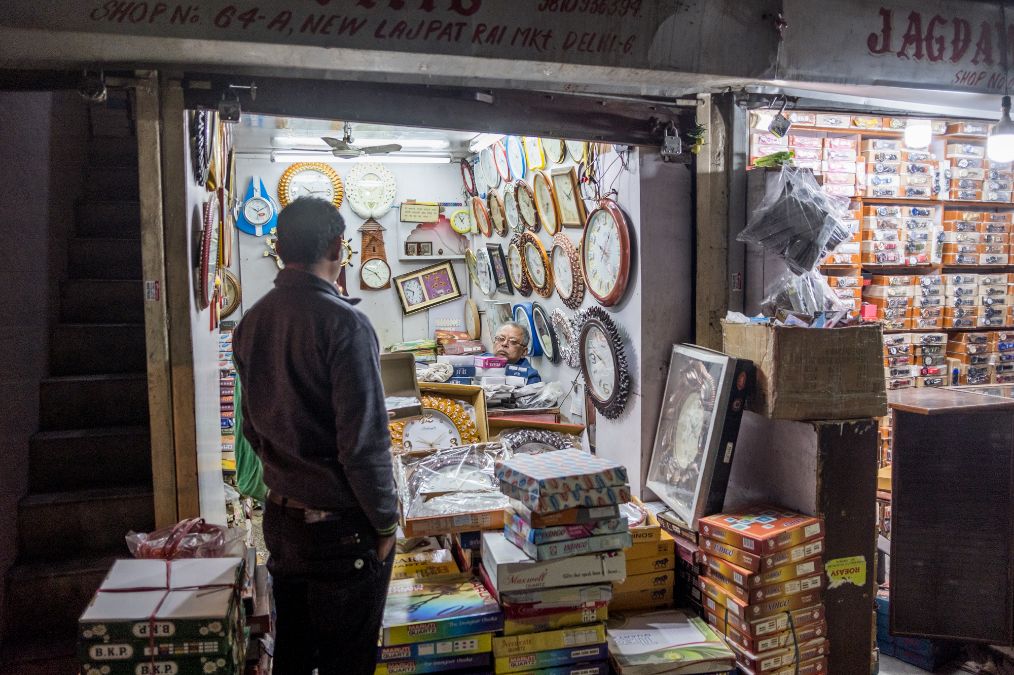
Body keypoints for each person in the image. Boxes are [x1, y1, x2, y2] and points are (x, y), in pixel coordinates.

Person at [232, 197, 398, 675]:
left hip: (283, 520)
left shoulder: (251, 322)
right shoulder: (345, 323)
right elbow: (363, 444)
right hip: (341, 529)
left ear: (280, 249)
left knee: (295, 652)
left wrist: (287, 476)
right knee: (347, 660)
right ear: (337, 246)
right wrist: (385, 523)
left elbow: (252, 429)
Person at [492, 321, 542, 385]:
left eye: (513, 342)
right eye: (501, 339)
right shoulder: (481, 362)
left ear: (524, 352)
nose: (504, 344)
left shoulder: (529, 377)